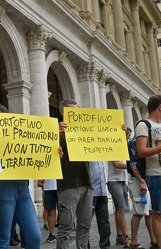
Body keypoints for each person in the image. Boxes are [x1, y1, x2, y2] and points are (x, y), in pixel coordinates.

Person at [0, 103, 43, 249]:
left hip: (22, 188)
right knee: (3, 239)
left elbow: (36, 150)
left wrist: (54, 153)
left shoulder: (18, 132)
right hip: (1, 186)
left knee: (34, 237)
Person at [136, 95, 161, 249]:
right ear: (160, 106)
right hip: (157, 175)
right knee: (159, 214)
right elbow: (141, 151)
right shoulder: (143, 125)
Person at [56, 98, 92, 249]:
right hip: (68, 184)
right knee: (66, 226)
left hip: (87, 183)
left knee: (85, 225)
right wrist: (56, 134)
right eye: (73, 111)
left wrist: (118, 131)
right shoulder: (56, 131)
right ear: (63, 112)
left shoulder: (84, 130)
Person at [107, 160, 131, 247]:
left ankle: (119, 236)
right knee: (121, 209)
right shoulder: (114, 147)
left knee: (119, 209)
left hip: (122, 180)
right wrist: (131, 165)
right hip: (114, 180)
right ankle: (126, 238)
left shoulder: (123, 148)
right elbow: (116, 164)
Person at [88, 161, 111, 249]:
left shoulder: (101, 154)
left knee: (104, 221)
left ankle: (105, 245)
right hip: (91, 192)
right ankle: (85, 246)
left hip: (102, 191)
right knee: (86, 222)